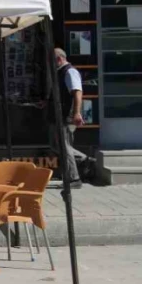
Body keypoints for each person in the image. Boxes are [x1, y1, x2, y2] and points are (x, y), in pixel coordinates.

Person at [51, 48, 88, 187]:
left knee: (64, 147)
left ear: (59, 59)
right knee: (57, 145)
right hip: (58, 115)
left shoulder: (69, 71)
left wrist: (76, 113)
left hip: (66, 116)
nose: (50, 64)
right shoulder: (60, 72)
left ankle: (74, 178)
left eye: (52, 60)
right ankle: (85, 160)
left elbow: (77, 93)